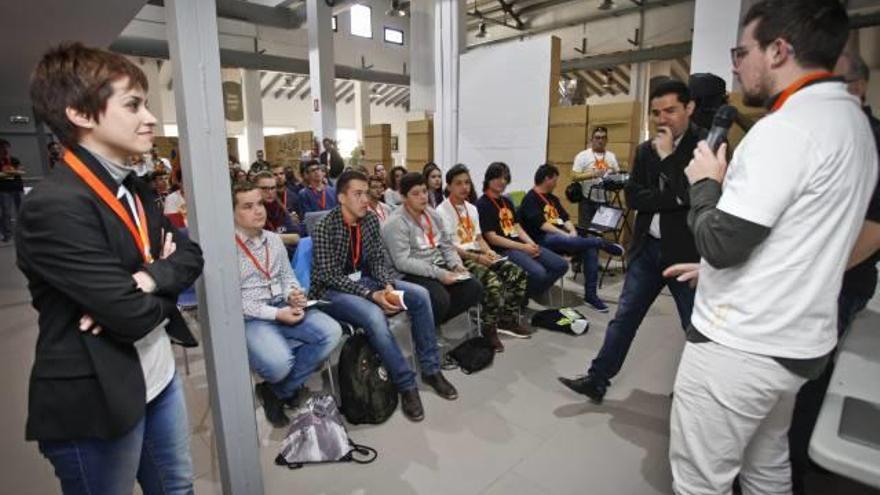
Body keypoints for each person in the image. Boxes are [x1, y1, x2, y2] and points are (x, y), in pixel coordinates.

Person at [666, 2, 876, 493]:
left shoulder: (785, 131)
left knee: (701, 481)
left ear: (779, 50)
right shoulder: (853, 126)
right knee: (766, 466)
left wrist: (704, 183)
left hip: (742, 346)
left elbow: (720, 242)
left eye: (742, 51)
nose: (736, 65)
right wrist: (714, 271)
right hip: (796, 343)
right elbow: (801, 239)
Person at [18, 43, 205, 494]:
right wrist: (155, 278)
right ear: (81, 114)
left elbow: (191, 256)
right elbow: (129, 315)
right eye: (133, 104)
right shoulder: (55, 205)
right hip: (97, 398)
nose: (151, 118)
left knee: (177, 489)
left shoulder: (134, 188)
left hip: (158, 377)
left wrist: (149, 277)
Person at [558, 80, 702, 404]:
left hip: (685, 254)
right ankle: (597, 379)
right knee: (624, 317)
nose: (662, 119)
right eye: (655, 113)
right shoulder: (644, 151)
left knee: (694, 326)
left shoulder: (704, 146)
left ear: (689, 109)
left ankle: (696, 391)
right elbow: (636, 197)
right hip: (647, 251)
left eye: (670, 110)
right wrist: (675, 197)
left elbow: (696, 195)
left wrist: (670, 180)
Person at [787, 49, 880, 495]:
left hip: (836, 285)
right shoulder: (824, 138)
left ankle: (793, 472)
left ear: (858, 88)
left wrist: (812, 278)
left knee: (806, 384)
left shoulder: (871, 142)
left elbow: (871, 233)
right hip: (807, 280)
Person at [310, 170, 458, 422]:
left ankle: (431, 370)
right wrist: (372, 294)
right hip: (332, 291)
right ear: (342, 198)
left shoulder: (368, 220)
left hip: (366, 282)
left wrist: (387, 285)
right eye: (358, 194)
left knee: (420, 295)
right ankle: (406, 384)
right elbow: (328, 275)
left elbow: (378, 260)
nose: (365, 199)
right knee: (374, 316)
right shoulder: (325, 226)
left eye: (366, 193)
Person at [232, 181, 341, 428]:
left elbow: (287, 277)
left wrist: (294, 293)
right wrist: (277, 313)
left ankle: (276, 392)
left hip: (282, 305)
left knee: (332, 332)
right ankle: (284, 385)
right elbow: (235, 300)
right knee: (280, 364)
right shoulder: (227, 249)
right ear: (232, 214)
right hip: (254, 317)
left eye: (260, 203)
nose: (259, 211)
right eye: (248, 207)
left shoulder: (272, 240)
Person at [437, 164, 530, 351]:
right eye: (459, 183)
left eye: (467, 183)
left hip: (478, 253)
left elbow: (479, 238)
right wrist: (478, 258)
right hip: (458, 258)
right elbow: (449, 246)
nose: (464, 187)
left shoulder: (472, 208)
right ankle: (489, 329)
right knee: (493, 283)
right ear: (449, 187)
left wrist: (488, 251)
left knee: (518, 274)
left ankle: (507, 319)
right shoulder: (441, 211)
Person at [382, 172, 484, 327]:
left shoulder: (432, 214)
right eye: (415, 194)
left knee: (473, 287)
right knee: (440, 298)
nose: (423, 197)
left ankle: (434, 325)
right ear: (403, 197)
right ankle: (424, 332)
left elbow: (446, 244)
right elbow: (402, 262)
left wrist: (456, 265)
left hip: (433, 267)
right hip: (407, 273)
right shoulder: (396, 223)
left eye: (424, 191)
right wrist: (440, 274)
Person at [518, 164, 624, 311]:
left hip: (562, 237)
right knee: (564, 239)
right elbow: (542, 225)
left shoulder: (553, 199)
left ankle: (591, 295)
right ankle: (601, 242)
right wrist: (566, 235)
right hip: (541, 239)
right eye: (555, 180)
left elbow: (565, 217)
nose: (556, 183)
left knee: (589, 248)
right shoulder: (530, 199)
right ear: (547, 179)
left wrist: (572, 230)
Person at [476, 162, 569, 302]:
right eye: (498, 177)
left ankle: (524, 294)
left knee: (561, 265)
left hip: (520, 244)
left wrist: (531, 244)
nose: (502, 181)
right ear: (488, 179)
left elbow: (517, 226)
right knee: (539, 273)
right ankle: (519, 298)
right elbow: (492, 238)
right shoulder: (482, 204)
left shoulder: (506, 201)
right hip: (503, 249)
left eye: (505, 178)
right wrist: (523, 247)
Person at [571, 126, 620, 227]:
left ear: (607, 140)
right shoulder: (583, 155)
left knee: (600, 232)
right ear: (591, 140)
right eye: (597, 138)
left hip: (605, 200)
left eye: (603, 138)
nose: (600, 141)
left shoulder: (611, 156)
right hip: (587, 200)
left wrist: (614, 176)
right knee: (585, 231)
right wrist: (593, 174)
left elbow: (618, 174)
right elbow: (574, 176)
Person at [254, 172, 300, 257]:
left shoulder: (280, 208)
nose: (270, 192)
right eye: (264, 188)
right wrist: (284, 238)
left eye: (273, 188)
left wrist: (271, 238)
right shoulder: (252, 212)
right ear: (254, 189)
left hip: (286, 255)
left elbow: (296, 236)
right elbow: (256, 239)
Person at [0, 138, 24, 243]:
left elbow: (22, 171)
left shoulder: (14, 159)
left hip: (17, 187)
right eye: (2, 148)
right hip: (4, 189)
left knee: (21, 210)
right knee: (6, 212)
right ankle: (7, 234)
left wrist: (10, 173)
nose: (5, 150)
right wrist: (14, 172)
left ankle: (23, 232)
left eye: (6, 147)